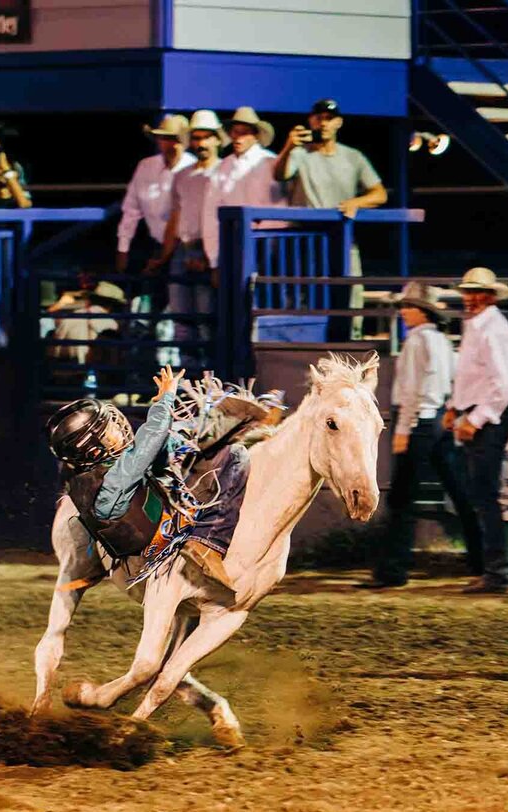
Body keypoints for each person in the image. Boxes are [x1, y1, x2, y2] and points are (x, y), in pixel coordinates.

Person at [45, 365, 247, 589]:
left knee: (176, 444)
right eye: (107, 431)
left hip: (139, 526)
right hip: (158, 536)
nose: (117, 427)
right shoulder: (114, 479)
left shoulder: (90, 478)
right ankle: (208, 542)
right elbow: (149, 442)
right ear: (94, 451)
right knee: (236, 456)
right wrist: (166, 399)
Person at [368, 283, 483, 589]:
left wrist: (404, 428)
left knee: (402, 498)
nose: (404, 312)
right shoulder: (443, 342)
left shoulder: (417, 342)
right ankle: (484, 560)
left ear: (422, 311)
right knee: (460, 492)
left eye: (408, 307)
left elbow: (412, 390)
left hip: (420, 422)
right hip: (439, 423)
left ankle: (392, 570)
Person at [273, 98, 387, 340]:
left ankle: (350, 343)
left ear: (339, 122)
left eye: (329, 118)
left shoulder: (352, 156)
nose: (324, 123)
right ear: (311, 121)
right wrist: (288, 146)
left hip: (341, 235)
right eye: (319, 118)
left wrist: (355, 202)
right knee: (302, 294)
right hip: (306, 238)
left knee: (350, 291)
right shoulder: (300, 153)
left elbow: (379, 193)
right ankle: (300, 343)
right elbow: (280, 174)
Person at [444, 267, 508, 594]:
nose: (471, 298)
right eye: (468, 292)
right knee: (482, 496)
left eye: (477, 293)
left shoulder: (494, 331)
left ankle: (499, 571)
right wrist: (454, 406)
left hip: (487, 420)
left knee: (485, 497)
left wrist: (473, 421)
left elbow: (504, 386)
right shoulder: (480, 327)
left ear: (490, 297)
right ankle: (496, 568)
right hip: (480, 416)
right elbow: (478, 378)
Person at [151, 110, 225, 368]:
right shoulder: (183, 176)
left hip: (211, 248)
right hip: (184, 248)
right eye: (196, 137)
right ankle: (190, 383)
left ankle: (210, 382)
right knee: (182, 322)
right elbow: (176, 216)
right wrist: (165, 254)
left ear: (217, 139)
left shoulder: (224, 172)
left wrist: (209, 255)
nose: (201, 143)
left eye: (206, 137)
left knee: (206, 321)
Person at [202, 106, 287, 269]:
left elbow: (278, 209)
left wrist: (260, 240)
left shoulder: (269, 162)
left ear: (255, 136)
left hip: (265, 242)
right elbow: (211, 211)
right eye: (235, 132)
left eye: (244, 132)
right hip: (232, 242)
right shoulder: (223, 166)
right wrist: (214, 258)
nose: (238, 137)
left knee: (260, 290)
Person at [117, 115, 194, 278]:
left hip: (186, 246)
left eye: (174, 139)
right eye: (164, 138)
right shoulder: (146, 166)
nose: (169, 144)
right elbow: (131, 209)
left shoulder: (193, 168)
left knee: (181, 296)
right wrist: (123, 248)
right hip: (153, 244)